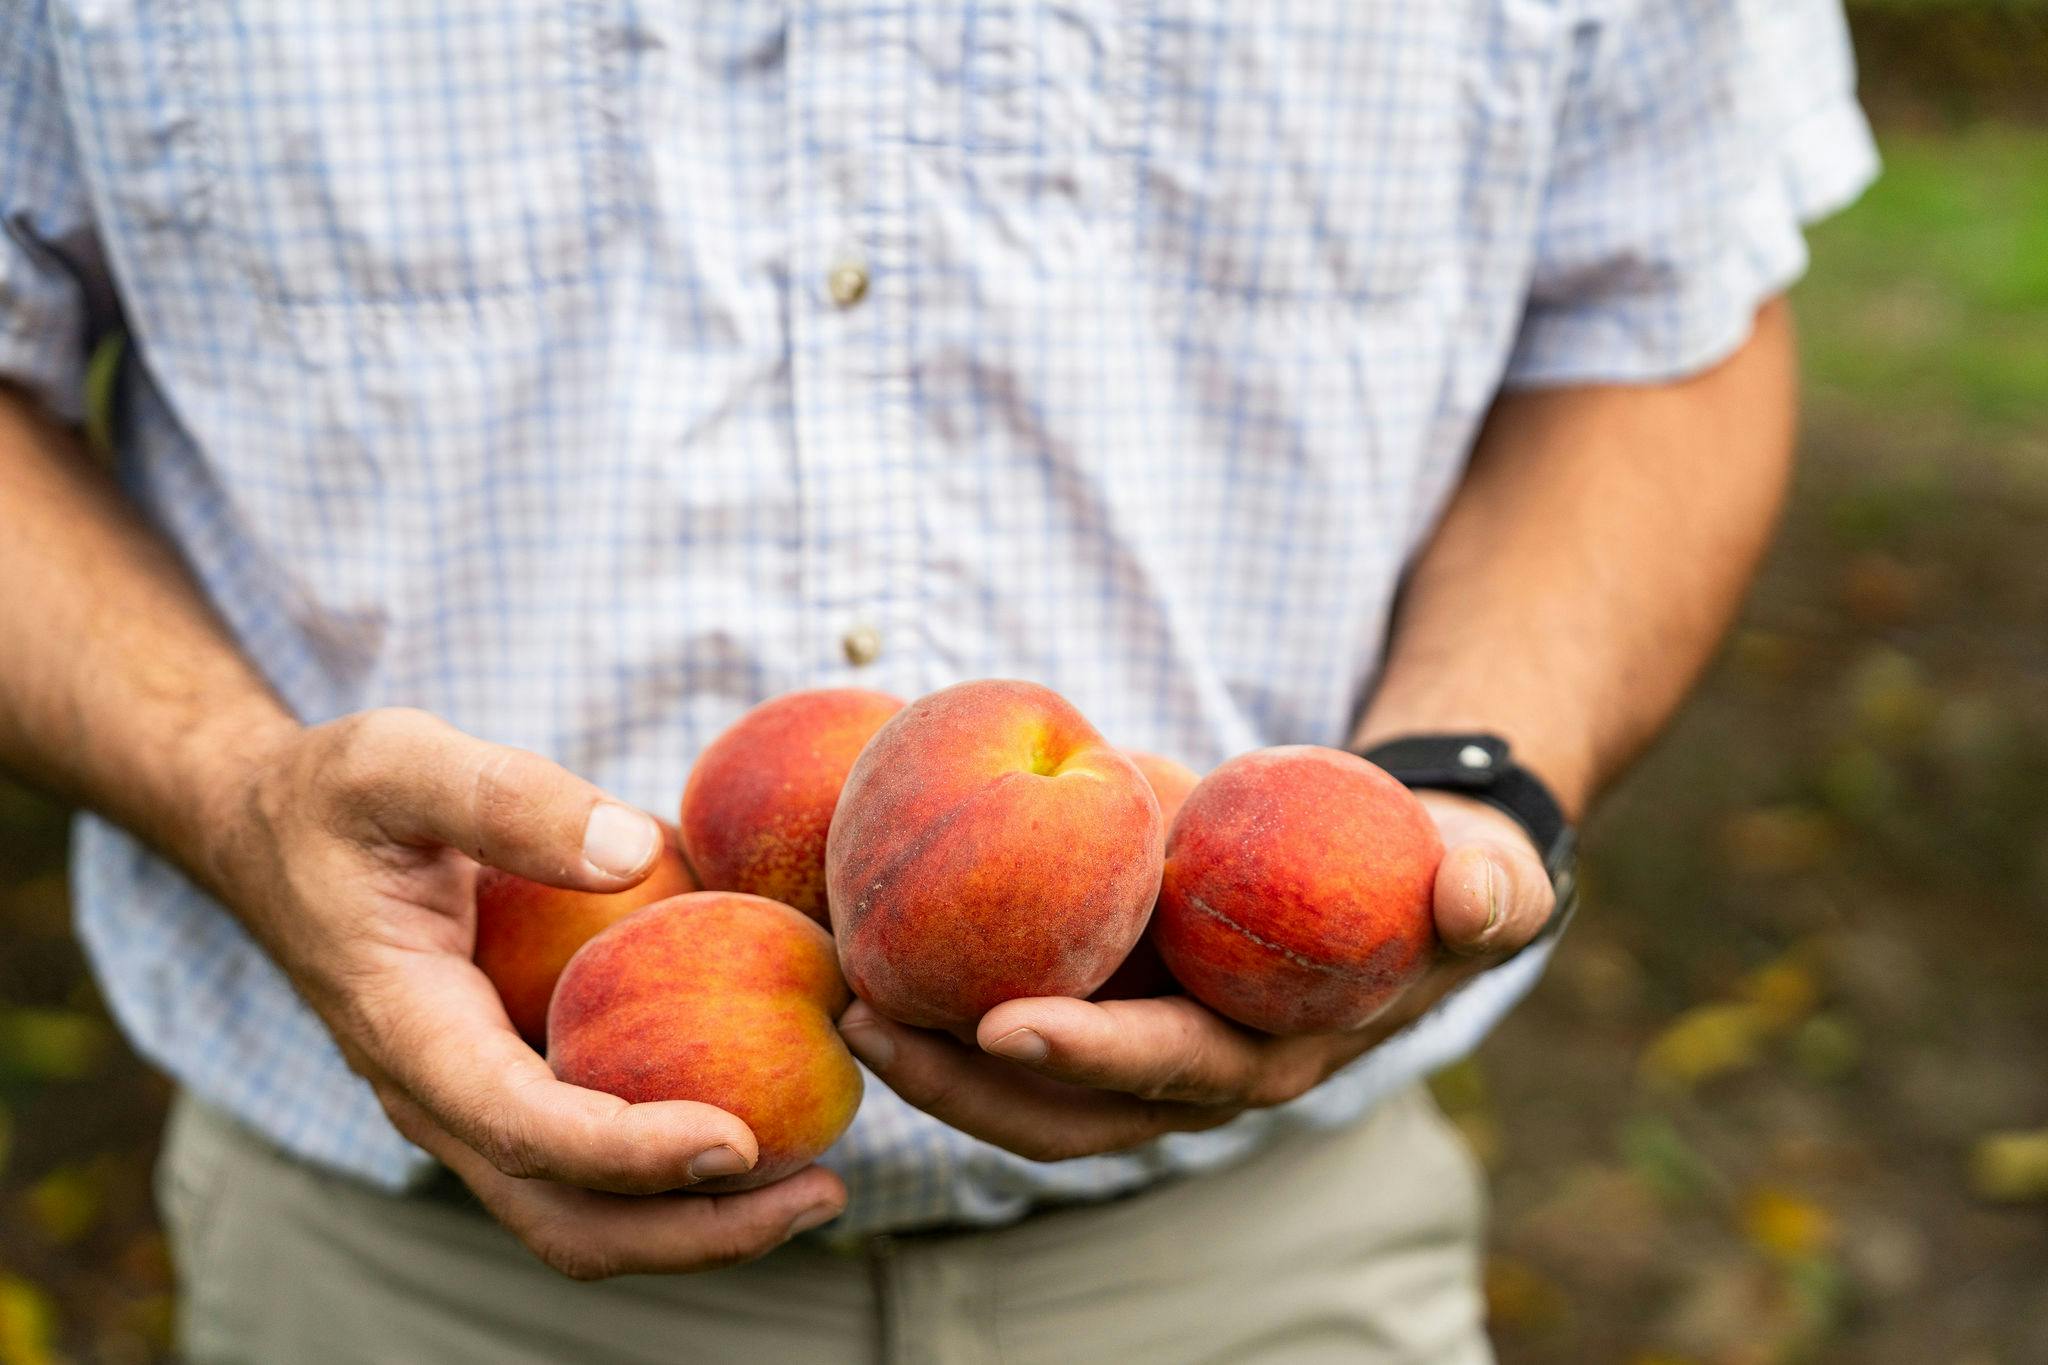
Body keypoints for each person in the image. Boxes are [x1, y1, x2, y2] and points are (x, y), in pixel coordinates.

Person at [0, 1, 1875, 1360]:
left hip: (1265, 1268)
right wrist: (235, 792)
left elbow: (1670, 307)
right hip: (399, 1284)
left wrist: (1466, 779)